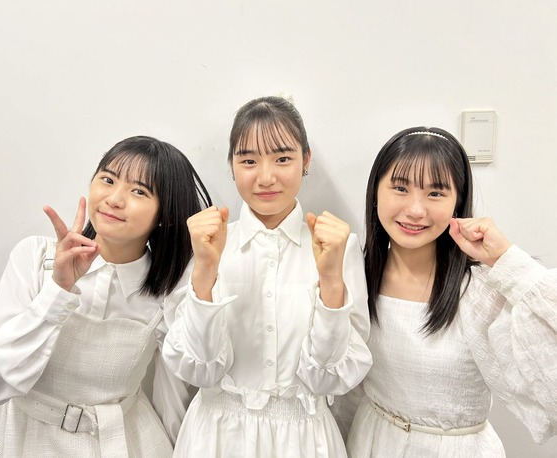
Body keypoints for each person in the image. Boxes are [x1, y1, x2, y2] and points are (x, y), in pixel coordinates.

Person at [0, 136, 212, 457]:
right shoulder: (35, 257)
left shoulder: (167, 289)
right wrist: (57, 291)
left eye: (139, 191)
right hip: (30, 442)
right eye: (108, 180)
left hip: (128, 444)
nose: (114, 199)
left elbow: (172, 400)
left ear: (165, 215)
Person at [162, 96, 372, 457]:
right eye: (248, 160)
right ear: (231, 165)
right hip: (216, 438)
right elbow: (199, 370)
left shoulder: (340, 247)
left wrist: (331, 283)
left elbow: (329, 377)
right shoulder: (206, 243)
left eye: (283, 158)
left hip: (305, 441)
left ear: (306, 160)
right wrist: (205, 272)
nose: (266, 177)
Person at [344, 127, 557, 457]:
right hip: (370, 442)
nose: (416, 209)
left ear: (457, 202)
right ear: (376, 193)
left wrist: (507, 261)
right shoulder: (356, 272)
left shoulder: (479, 289)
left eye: (435, 193)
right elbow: (344, 389)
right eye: (400, 188)